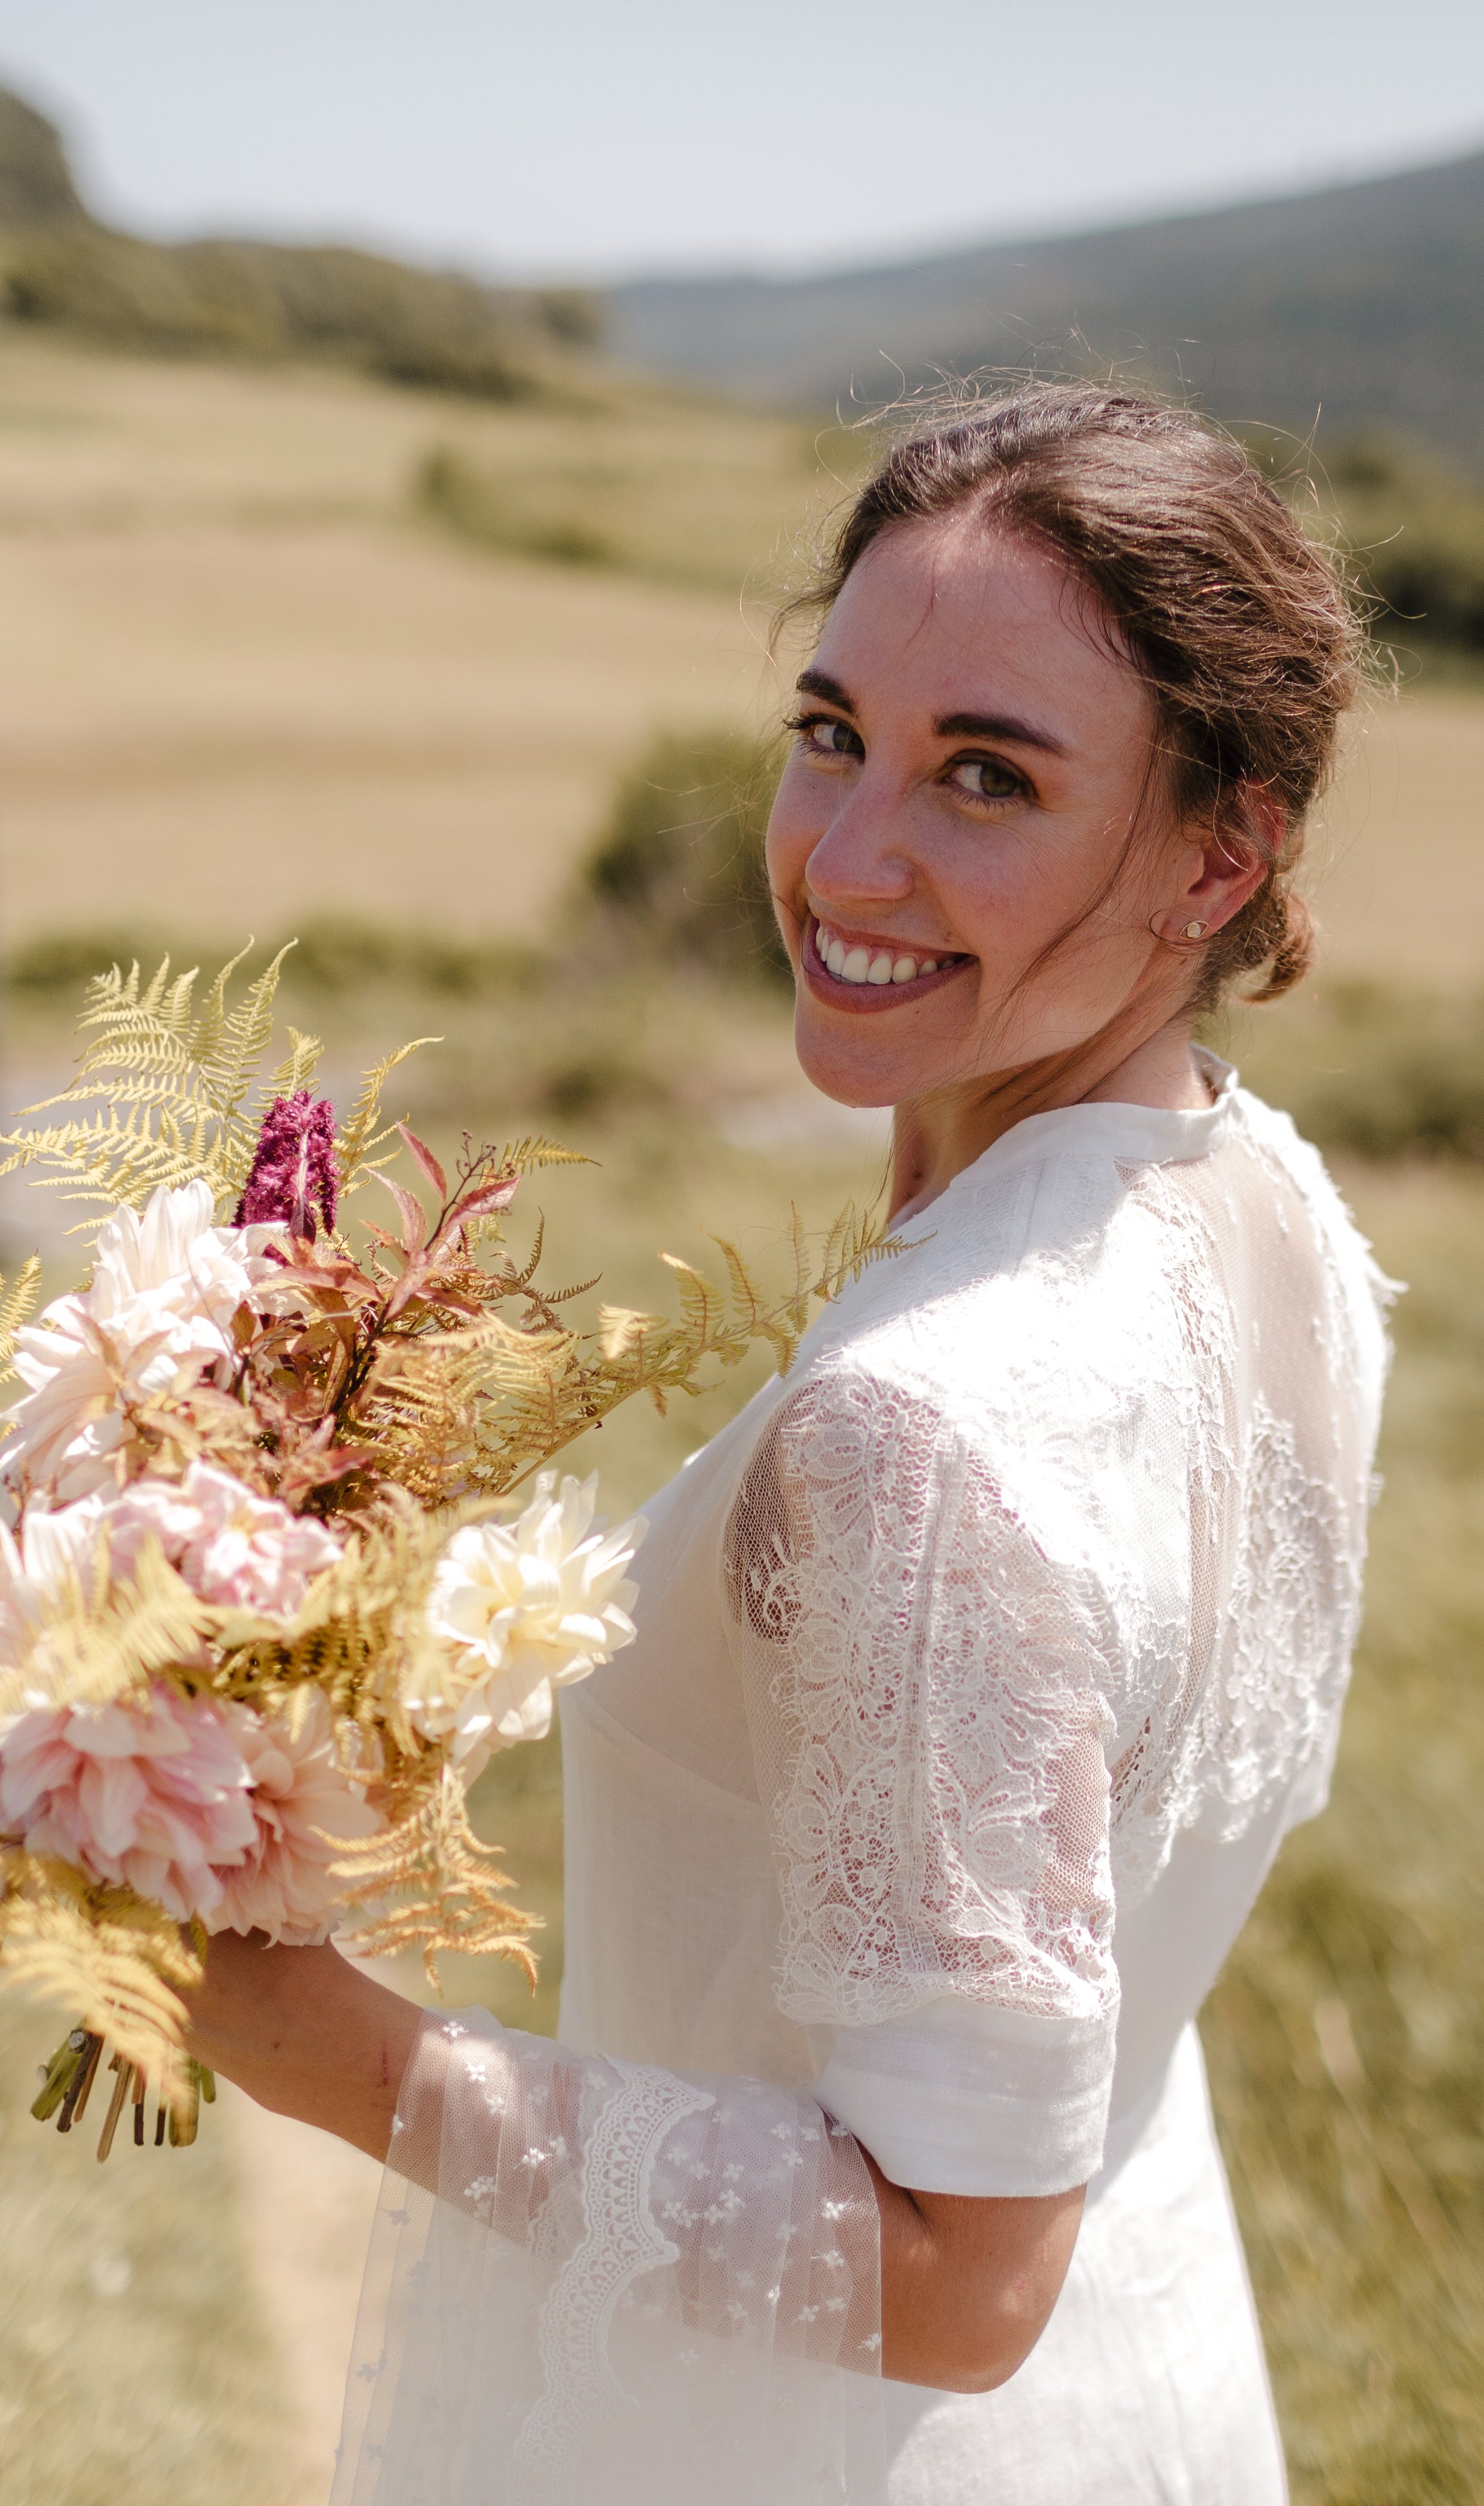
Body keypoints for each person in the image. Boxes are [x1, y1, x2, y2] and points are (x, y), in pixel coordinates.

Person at [181, 382, 1398, 2505]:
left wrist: (342, 2053)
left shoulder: (922, 1437)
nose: (846, 857)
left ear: (1227, 849)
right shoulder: (1257, 1209)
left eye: (987, 778)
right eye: (832, 732)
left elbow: (956, 2278)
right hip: (1156, 2390)